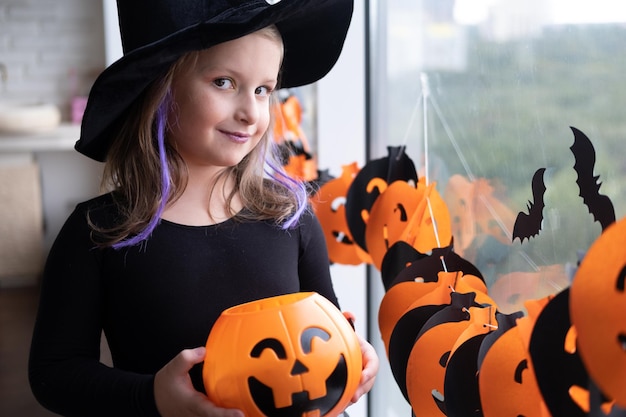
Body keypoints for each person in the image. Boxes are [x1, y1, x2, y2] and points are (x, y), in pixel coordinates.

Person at [28, 1, 378, 416]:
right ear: (161, 89)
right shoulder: (98, 231)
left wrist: (352, 351)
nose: (250, 112)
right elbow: (55, 373)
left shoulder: (289, 217)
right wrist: (152, 396)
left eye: (263, 89)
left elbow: (326, 326)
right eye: (225, 82)